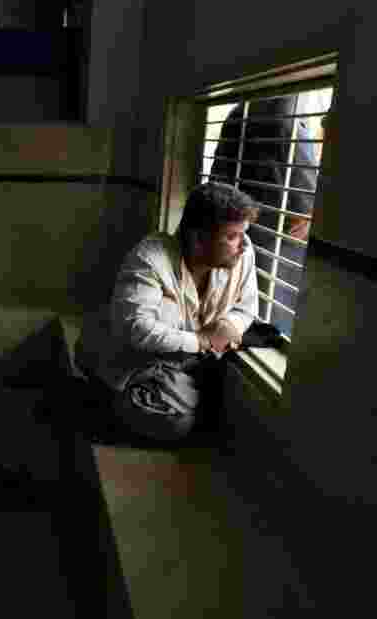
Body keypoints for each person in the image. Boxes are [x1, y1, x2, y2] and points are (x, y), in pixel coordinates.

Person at [75, 182, 260, 443]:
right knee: (178, 423)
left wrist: (230, 325)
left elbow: (246, 307)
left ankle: (169, 398)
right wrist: (203, 341)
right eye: (232, 237)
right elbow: (136, 329)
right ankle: (103, 398)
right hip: (132, 360)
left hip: (180, 363)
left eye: (243, 234)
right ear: (198, 238)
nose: (243, 245)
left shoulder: (244, 253)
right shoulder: (150, 258)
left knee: (206, 409)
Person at [209, 94, 320, 242]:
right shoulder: (286, 118)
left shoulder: (235, 115)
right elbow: (307, 208)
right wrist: (309, 208)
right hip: (272, 235)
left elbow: (217, 177)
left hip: (235, 228)